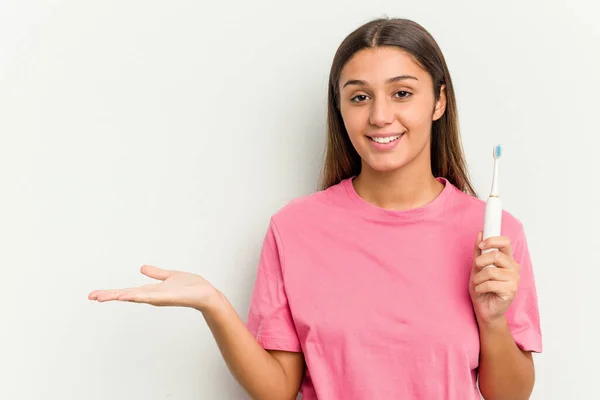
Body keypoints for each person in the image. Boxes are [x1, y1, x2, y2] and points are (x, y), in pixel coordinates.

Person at [88, 17, 542, 400]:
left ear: (439, 101)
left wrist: (493, 320)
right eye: (360, 96)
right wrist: (214, 304)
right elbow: (278, 388)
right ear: (340, 109)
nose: (380, 115)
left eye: (402, 93)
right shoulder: (295, 228)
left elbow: (510, 394)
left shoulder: (495, 237)